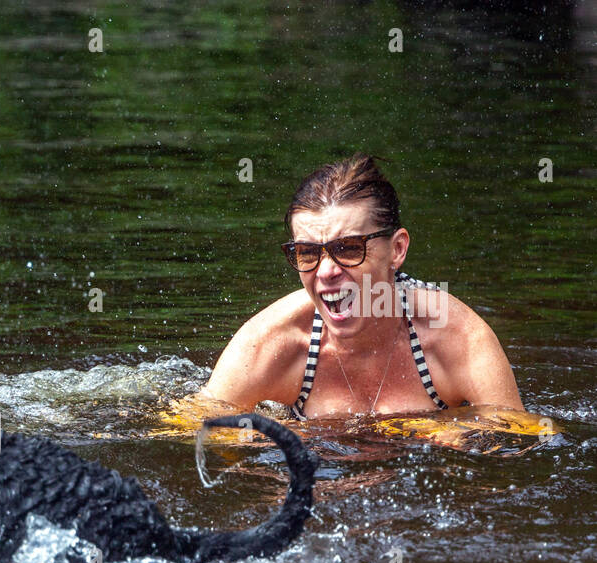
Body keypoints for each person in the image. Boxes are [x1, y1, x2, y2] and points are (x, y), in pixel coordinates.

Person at [198, 154, 523, 419]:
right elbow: (190, 431)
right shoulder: (273, 341)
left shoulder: (455, 336)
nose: (326, 271)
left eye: (349, 248)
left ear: (397, 250)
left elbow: (519, 446)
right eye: (308, 253)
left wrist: (454, 429)